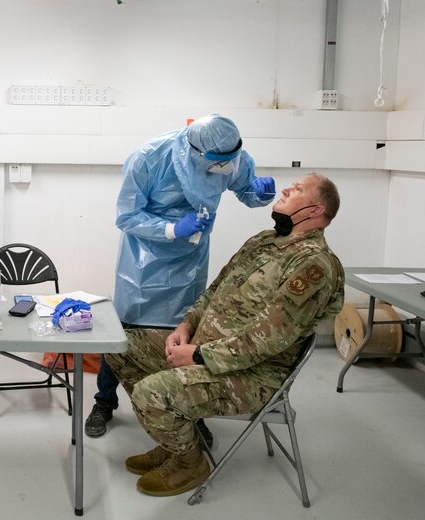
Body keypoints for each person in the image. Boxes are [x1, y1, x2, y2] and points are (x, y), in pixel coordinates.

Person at [105, 173, 345, 497]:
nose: (287, 188)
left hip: (253, 375)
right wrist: (185, 327)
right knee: (119, 346)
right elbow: (215, 291)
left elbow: (268, 339)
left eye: (299, 189)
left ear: (316, 211)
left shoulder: (313, 265)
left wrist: (196, 355)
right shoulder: (264, 241)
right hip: (205, 348)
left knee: (152, 394)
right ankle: (176, 440)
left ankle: (190, 463)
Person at [86, 114, 276, 438]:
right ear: (196, 153)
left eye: (230, 162)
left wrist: (260, 194)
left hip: (190, 258)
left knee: (186, 329)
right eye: (218, 164)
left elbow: (245, 190)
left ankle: (188, 407)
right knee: (126, 331)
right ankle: (104, 402)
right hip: (144, 261)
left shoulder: (231, 156)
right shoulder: (150, 158)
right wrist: (172, 228)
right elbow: (127, 215)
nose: (225, 168)